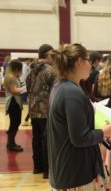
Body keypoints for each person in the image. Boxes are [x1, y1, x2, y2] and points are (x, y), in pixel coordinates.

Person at [48, 43, 111, 190]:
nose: (91, 65)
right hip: (76, 175)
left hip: (69, 170)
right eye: (88, 60)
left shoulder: (61, 86)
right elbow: (79, 138)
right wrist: (103, 132)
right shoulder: (71, 92)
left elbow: (72, 128)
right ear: (79, 62)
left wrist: (100, 134)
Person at [26, 44, 56, 179]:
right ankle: (47, 170)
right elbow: (54, 91)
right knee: (46, 140)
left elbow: (27, 87)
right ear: (48, 54)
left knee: (36, 139)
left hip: (33, 109)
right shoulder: (50, 71)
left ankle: (37, 167)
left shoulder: (30, 70)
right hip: (45, 110)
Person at [4, 60, 26, 151]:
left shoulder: (11, 76)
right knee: (15, 123)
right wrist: (26, 87)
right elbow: (14, 90)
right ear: (17, 68)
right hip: (13, 103)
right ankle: (10, 143)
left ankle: (11, 143)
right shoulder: (11, 77)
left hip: (14, 102)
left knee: (15, 123)